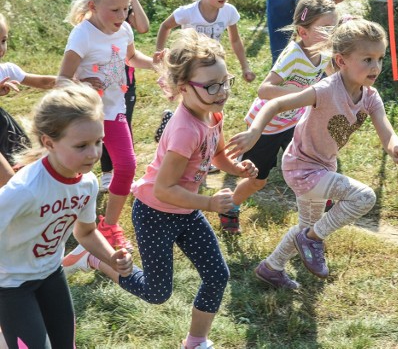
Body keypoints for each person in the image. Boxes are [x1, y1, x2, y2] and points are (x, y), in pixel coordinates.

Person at [64, 30, 258, 348]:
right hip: (156, 212)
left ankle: (195, 342)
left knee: (217, 275)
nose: (221, 91)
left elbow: (218, 155)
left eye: (225, 82)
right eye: (211, 85)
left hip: (185, 210)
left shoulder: (213, 113)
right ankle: (96, 260)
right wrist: (209, 203)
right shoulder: (184, 130)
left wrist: (237, 168)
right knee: (157, 292)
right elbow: (165, 189)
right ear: (183, 88)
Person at [227, 19, 398, 289]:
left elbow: (387, 133)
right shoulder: (325, 90)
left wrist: (396, 149)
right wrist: (255, 132)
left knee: (308, 226)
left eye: (380, 59)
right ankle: (312, 240)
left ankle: (271, 268)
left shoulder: (371, 97)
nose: (376, 67)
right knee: (363, 197)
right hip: (301, 168)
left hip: (324, 167)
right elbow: (276, 103)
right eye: (368, 59)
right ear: (341, 61)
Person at [0, 83, 133, 349]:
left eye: (98, 142)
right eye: (81, 145)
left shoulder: (87, 183)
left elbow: (85, 232)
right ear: (49, 142)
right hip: (10, 285)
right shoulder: (24, 189)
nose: (94, 153)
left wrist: (111, 258)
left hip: (51, 274)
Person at [58, 0, 158, 252]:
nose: (122, 15)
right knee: (73, 171)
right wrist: (80, 86)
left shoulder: (125, 28)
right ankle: (64, 218)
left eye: (126, 8)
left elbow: (131, 58)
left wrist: (156, 63)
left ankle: (109, 225)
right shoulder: (82, 34)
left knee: (126, 166)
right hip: (82, 116)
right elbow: (61, 79)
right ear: (92, 5)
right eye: (114, 10)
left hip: (114, 111)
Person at [221, 0, 338, 234]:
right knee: (258, 180)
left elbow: (331, 73)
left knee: (309, 161)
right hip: (266, 126)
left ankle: (320, 195)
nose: (331, 34)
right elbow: (264, 89)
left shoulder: (324, 51)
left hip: (294, 121)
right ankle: (230, 205)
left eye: (333, 27)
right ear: (303, 32)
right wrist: (303, 91)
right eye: (325, 28)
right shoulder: (293, 55)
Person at [94, 0, 150, 194]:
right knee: (99, 126)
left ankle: (120, 169)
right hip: (97, 86)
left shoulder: (124, 16)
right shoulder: (95, 22)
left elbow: (144, 28)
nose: (121, 13)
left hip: (124, 79)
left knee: (122, 120)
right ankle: (107, 172)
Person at [156, 0, 255, 83]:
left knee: (215, 92)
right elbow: (165, 26)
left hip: (213, 62)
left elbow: (235, 40)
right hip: (189, 64)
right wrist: (159, 53)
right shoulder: (188, 12)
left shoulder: (229, 11)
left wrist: (245, 67)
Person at [0, 13, 56, 166]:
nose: (1, 48)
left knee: (23, 162)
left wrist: (72, 80)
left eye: (3, 41)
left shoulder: (6, 70)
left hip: (3, 131)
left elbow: (43, 82)